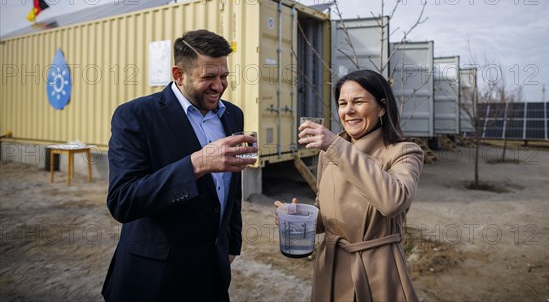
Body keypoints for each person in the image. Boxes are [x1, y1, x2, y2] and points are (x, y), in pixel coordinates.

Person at [102, 30, 258, 302]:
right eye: (208, 77)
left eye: (224, 77)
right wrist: (197, 164)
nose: (219, 86)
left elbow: (231, 188)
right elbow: (123, 201)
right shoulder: (136, 116)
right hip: (153, 280)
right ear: (178, 75)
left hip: (212, 274)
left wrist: (232, 243)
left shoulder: (233, 114)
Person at [276, 69, 424, 302]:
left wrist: (336, 146)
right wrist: (299, 218)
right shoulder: (330, 153)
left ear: (382, 107)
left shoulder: (404, 152)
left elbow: (393, 201)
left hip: (377, 272)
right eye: (342, 103)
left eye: (358, 102)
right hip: (330, 269)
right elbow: (326, 216)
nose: (348, 110)